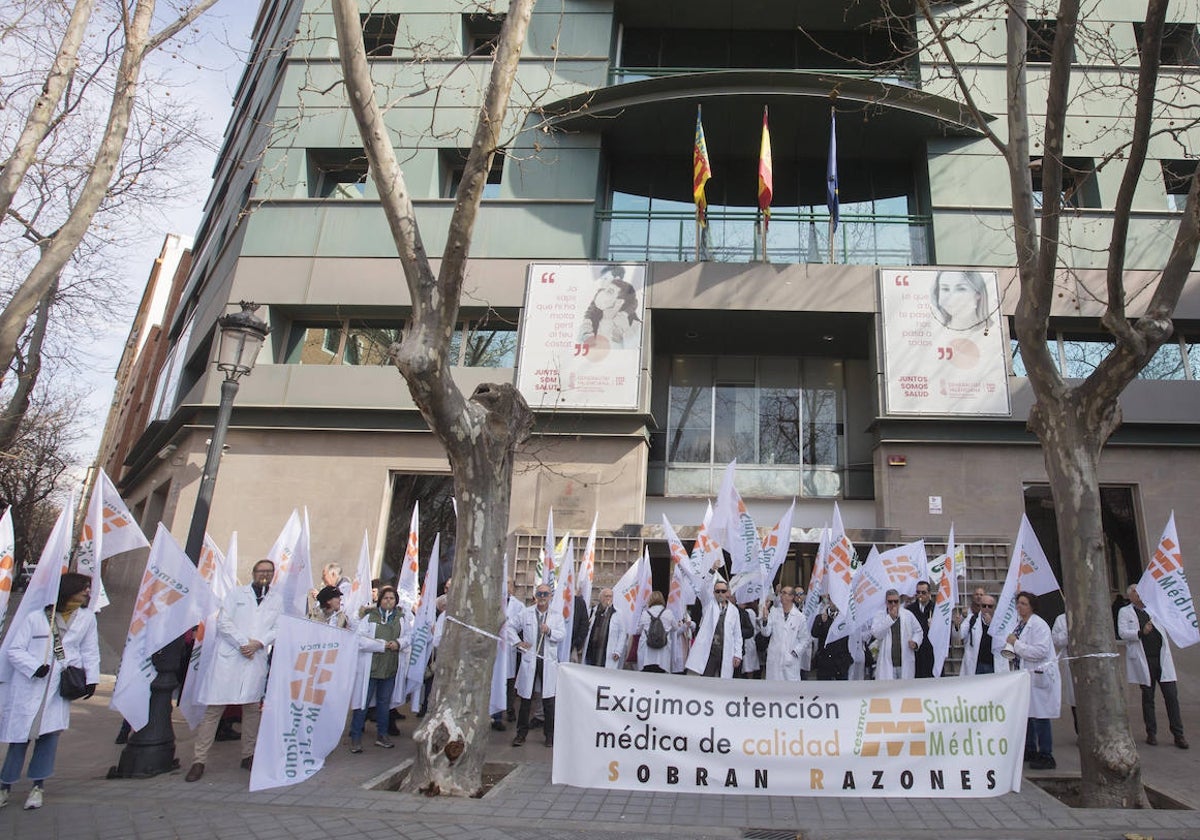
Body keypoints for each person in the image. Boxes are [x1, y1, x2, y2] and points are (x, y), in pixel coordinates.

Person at [0, 573, 99, 810]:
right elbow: (14, 649)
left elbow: (90, 650)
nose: (87, 592)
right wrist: (34, 667)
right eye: (84, 588)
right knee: (19, 740)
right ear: (69, 590)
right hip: (31, 686)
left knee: (48, 738)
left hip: (58, 687)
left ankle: (38, 787)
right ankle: (5, 786)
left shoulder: (86, 619)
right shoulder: (36, 618)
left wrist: (91, 678)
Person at [186, 559, 281, 783]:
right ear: (253, 573)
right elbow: (224, 622)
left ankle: (248, 755)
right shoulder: (236, 594)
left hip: (255, 657)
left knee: (251, 711)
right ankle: (199, 760)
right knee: (213, 711)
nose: (265, 575)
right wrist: (242, 643)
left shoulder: (276, 599)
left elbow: (277, 627)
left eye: (269, 572)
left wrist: (259, 643)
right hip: (230, 656)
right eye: (261, 571)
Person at [1118, 584, 1188, 749]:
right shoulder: (1125, 612)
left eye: (1140, 590)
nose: (1139, 594)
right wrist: (1141, 632)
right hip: (1144, 660)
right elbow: (1122, 633)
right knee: (1148, 698)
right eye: (1135, 591)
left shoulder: (1155, 609)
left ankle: (1179, 734)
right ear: (1130, 596)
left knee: (1171, 697)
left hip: (1162, 659)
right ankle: (1151, 733)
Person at [1005, 591, 1060, 770]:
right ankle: (1030, 749)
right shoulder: (1021, 624)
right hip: (1025, 675)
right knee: (1027, 714)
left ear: (1032, 606)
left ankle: (1046, 753)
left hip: (1039, 675)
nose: (1020, 607)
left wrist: (1016, 645)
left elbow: (1039, 652)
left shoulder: (1038, 625)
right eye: (1018, 603)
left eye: (1024, 604)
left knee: (1041, 716)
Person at [349, 586, 406, 752]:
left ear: (396, 601)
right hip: (370, 667)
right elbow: (359, 640)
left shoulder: (400, 619)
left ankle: (382, 734)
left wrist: (399, 644)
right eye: (385, 598)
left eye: (392, 598)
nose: (388, 601)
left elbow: (408, 636)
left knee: (384, 703)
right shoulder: (370, 617)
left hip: (389, 667)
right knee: (362, 702)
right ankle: (355, 736)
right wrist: (382, 645)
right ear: (380, 600)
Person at [508, 582, 564, 748]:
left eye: (545, 594)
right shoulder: (526, 613)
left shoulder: (556, 615)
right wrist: (518, 642)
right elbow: (510, 627)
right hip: (530, 658)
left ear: (550, 597)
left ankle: (549, 735)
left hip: (547, 660)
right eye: (539, 594)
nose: (542, 597)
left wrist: (550, 632)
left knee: (548, 699)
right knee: (526, 698)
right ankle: (521, 734)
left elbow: (561, 634)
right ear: (535, 596)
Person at [684, 577, 743, 678]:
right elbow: (703, 589)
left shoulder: (734, 611)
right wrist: (711, 572)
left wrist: (737, 654)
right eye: (717, 591)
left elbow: (737, 635)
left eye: (723, 591)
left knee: (723, 682)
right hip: (710, 651)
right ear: (714, 593)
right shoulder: (708, 605)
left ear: (727, 593)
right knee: (706, 679)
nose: (720, 593)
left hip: (725, 651)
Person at [577, 266, 641, 350]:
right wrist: (586, 327)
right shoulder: (598, 304)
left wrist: (625, 327)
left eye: (605, 279)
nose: (602, 282)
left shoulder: (632, 323)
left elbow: (633, 351)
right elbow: (591, 310)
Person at [759, 585, 811, 681]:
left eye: (784, 593)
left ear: (791, 597)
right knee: (773, 690)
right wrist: (765, 619)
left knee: (790, 691)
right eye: (781, 593)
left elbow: (804, 639)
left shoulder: (799, 617)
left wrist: (794, 653)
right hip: (774, 659)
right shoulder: (774, 612)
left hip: (790, 661)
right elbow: (766, 633)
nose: (781, 595)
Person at [870, 588, 920, 680]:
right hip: (887, 663)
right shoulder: (880, 616)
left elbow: (918, 631)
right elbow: (877, 633)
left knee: (904, 691)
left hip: (904, 662)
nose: (893, 604)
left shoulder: (908, 615)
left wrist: (915, 642)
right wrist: (890, 618)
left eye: (895, 601)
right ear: (886, 602)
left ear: (899, 601)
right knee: (888, 691)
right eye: (890, 602)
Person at [583, 588, 626, 668]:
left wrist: (618, 651)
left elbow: (622, 633)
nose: (608, 598)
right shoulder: (592, 611)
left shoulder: (618, 613)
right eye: (606, 596)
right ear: (601, 598)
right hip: (591, 650)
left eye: (610, 596)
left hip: (607, 651)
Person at [811, 599, 852, 680]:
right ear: (829, 602)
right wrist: (821, 622)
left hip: (841, 663)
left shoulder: (846, 618)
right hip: (824, 662)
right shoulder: (820, 617)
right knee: (823, 690)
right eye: (833, 600)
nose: (835, 603)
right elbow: (814, 633)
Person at [637, 591, 676, 673]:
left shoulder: (645, 614)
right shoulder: (668, 613)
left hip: (647, 650)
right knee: (660, 674)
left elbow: (639, 630)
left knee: (646, 674)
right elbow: (675, 627)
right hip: (663, 649)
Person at [960, 593, 997, 676]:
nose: (987, 609)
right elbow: (960, 634)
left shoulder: (999, 622)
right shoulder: (972, 619)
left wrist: (991, 624)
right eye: (984, 606)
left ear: (994, 608)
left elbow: (1002, 640)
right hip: (976, 664)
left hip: (992, 664)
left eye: (990, 606)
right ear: (980, 607)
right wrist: (957, 624)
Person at [906, 580, 936, 678]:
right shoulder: (910, 610)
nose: (920, 595)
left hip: (931, 652)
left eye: (923, 593)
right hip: (916, 653)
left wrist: (934, 627)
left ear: (929, 594)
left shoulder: (936, 609)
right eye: (918, 592)